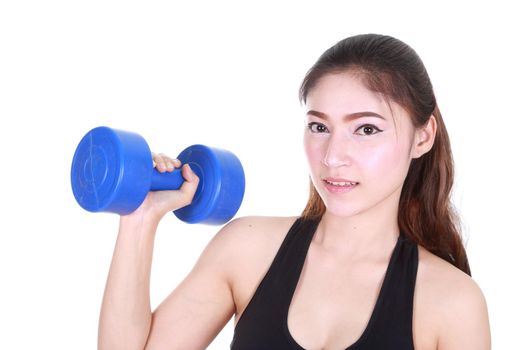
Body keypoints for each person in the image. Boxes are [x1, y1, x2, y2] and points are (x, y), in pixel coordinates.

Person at [97, 34, 491, 349]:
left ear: (422, 138)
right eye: (320, 127)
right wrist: (139, 218)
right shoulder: (247, 250)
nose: (333, 157)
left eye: (366, 129)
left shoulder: (452, 304)